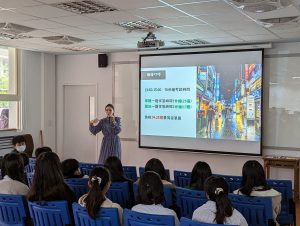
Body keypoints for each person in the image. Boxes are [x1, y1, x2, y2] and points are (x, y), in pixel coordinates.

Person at [234, 160, 281, 225]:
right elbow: (277, 213)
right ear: (262, 175)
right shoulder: (275, 194)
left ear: (244, 177)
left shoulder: (236, 194)